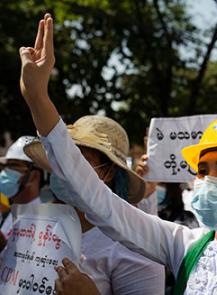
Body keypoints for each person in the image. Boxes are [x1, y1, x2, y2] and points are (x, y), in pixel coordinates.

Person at [19, 13, 217, 294]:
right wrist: (38, 100)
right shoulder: (182, 246)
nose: (208, 181)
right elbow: (99, 200)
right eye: (203, 170)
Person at [24, 115, 166, 295]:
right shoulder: (38, 226)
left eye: (78, 160)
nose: (64, 167)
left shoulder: (137, 245)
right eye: (61, 158)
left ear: (107, 172)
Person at [0, 136, 46, 238]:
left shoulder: (45, 222)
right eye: (6, 167)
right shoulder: (9, 213)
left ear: (34, 176)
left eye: (14, 166)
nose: (5, 172)